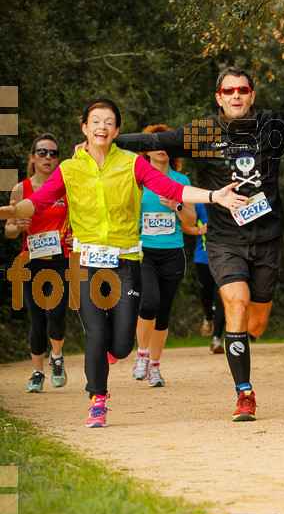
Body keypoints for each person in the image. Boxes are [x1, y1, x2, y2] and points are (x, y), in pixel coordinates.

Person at [116, 68, 284, 421]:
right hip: (224, 239)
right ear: (219, 97)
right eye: (229, 91)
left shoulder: (273, 125)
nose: (236, 95)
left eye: (243, 90)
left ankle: (241, 332)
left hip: (268, 238)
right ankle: (244, 394)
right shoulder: (201, 133)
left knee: (255, 324)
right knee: (236, 306)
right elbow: (152, 143)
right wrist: (105, 140)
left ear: (252, 95)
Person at [0, 99, 247, 428]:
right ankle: (97, 400)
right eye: (95, 121)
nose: (101, 126)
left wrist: (215, 196)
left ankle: (105, 362)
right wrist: (13, 211)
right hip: (86, 263)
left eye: (109, 122)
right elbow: (40, 201)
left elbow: (172, 188)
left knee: (121, 344)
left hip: (126, 262)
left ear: (117, 131)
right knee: (96, 335)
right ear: (84, 128)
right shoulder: (69, 170)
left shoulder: (132, 164)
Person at [131, 124, 196, 386]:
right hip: (144, 251)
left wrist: (177, 205)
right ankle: (142, 356)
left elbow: (191, 220)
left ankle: (155, 367)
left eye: (166, 144)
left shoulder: (181, 181)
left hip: (172, 252)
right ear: (145, 151)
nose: (160, 149)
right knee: (149, 303)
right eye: (154, 144)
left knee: (164, 312)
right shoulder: (135, 180)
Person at [5, 134, 70, 392]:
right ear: (32, 157)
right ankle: (37, 372)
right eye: (42, 153)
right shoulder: (21, 189)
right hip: (31, 260)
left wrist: (76, 236)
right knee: (37, 319)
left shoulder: (66, 187)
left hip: (61, 259)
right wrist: (16, 225)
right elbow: (9, 230)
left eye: (53, 154)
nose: (48, 158)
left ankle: (56, 358)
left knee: (55, 313)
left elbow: (78, 219)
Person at [181, 203, 226, 354]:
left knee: (221, 298)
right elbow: (184, 226)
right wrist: (200, 230)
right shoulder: (200, 204)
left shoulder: (230, 202)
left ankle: (217, 339)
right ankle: (208, 316)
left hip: (226, 260)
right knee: (206, 298)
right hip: (203, 259)